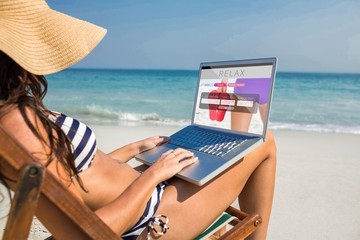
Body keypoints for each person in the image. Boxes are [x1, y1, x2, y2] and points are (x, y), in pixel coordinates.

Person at [0, 1, 277, 239]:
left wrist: (135, 150)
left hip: (147, 194)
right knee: (264, 142)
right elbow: (87, 234)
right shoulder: (20, 128)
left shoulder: (11, 116)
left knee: (208, 152)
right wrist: (155, 174)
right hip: (154, 220)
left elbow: (78, 177)